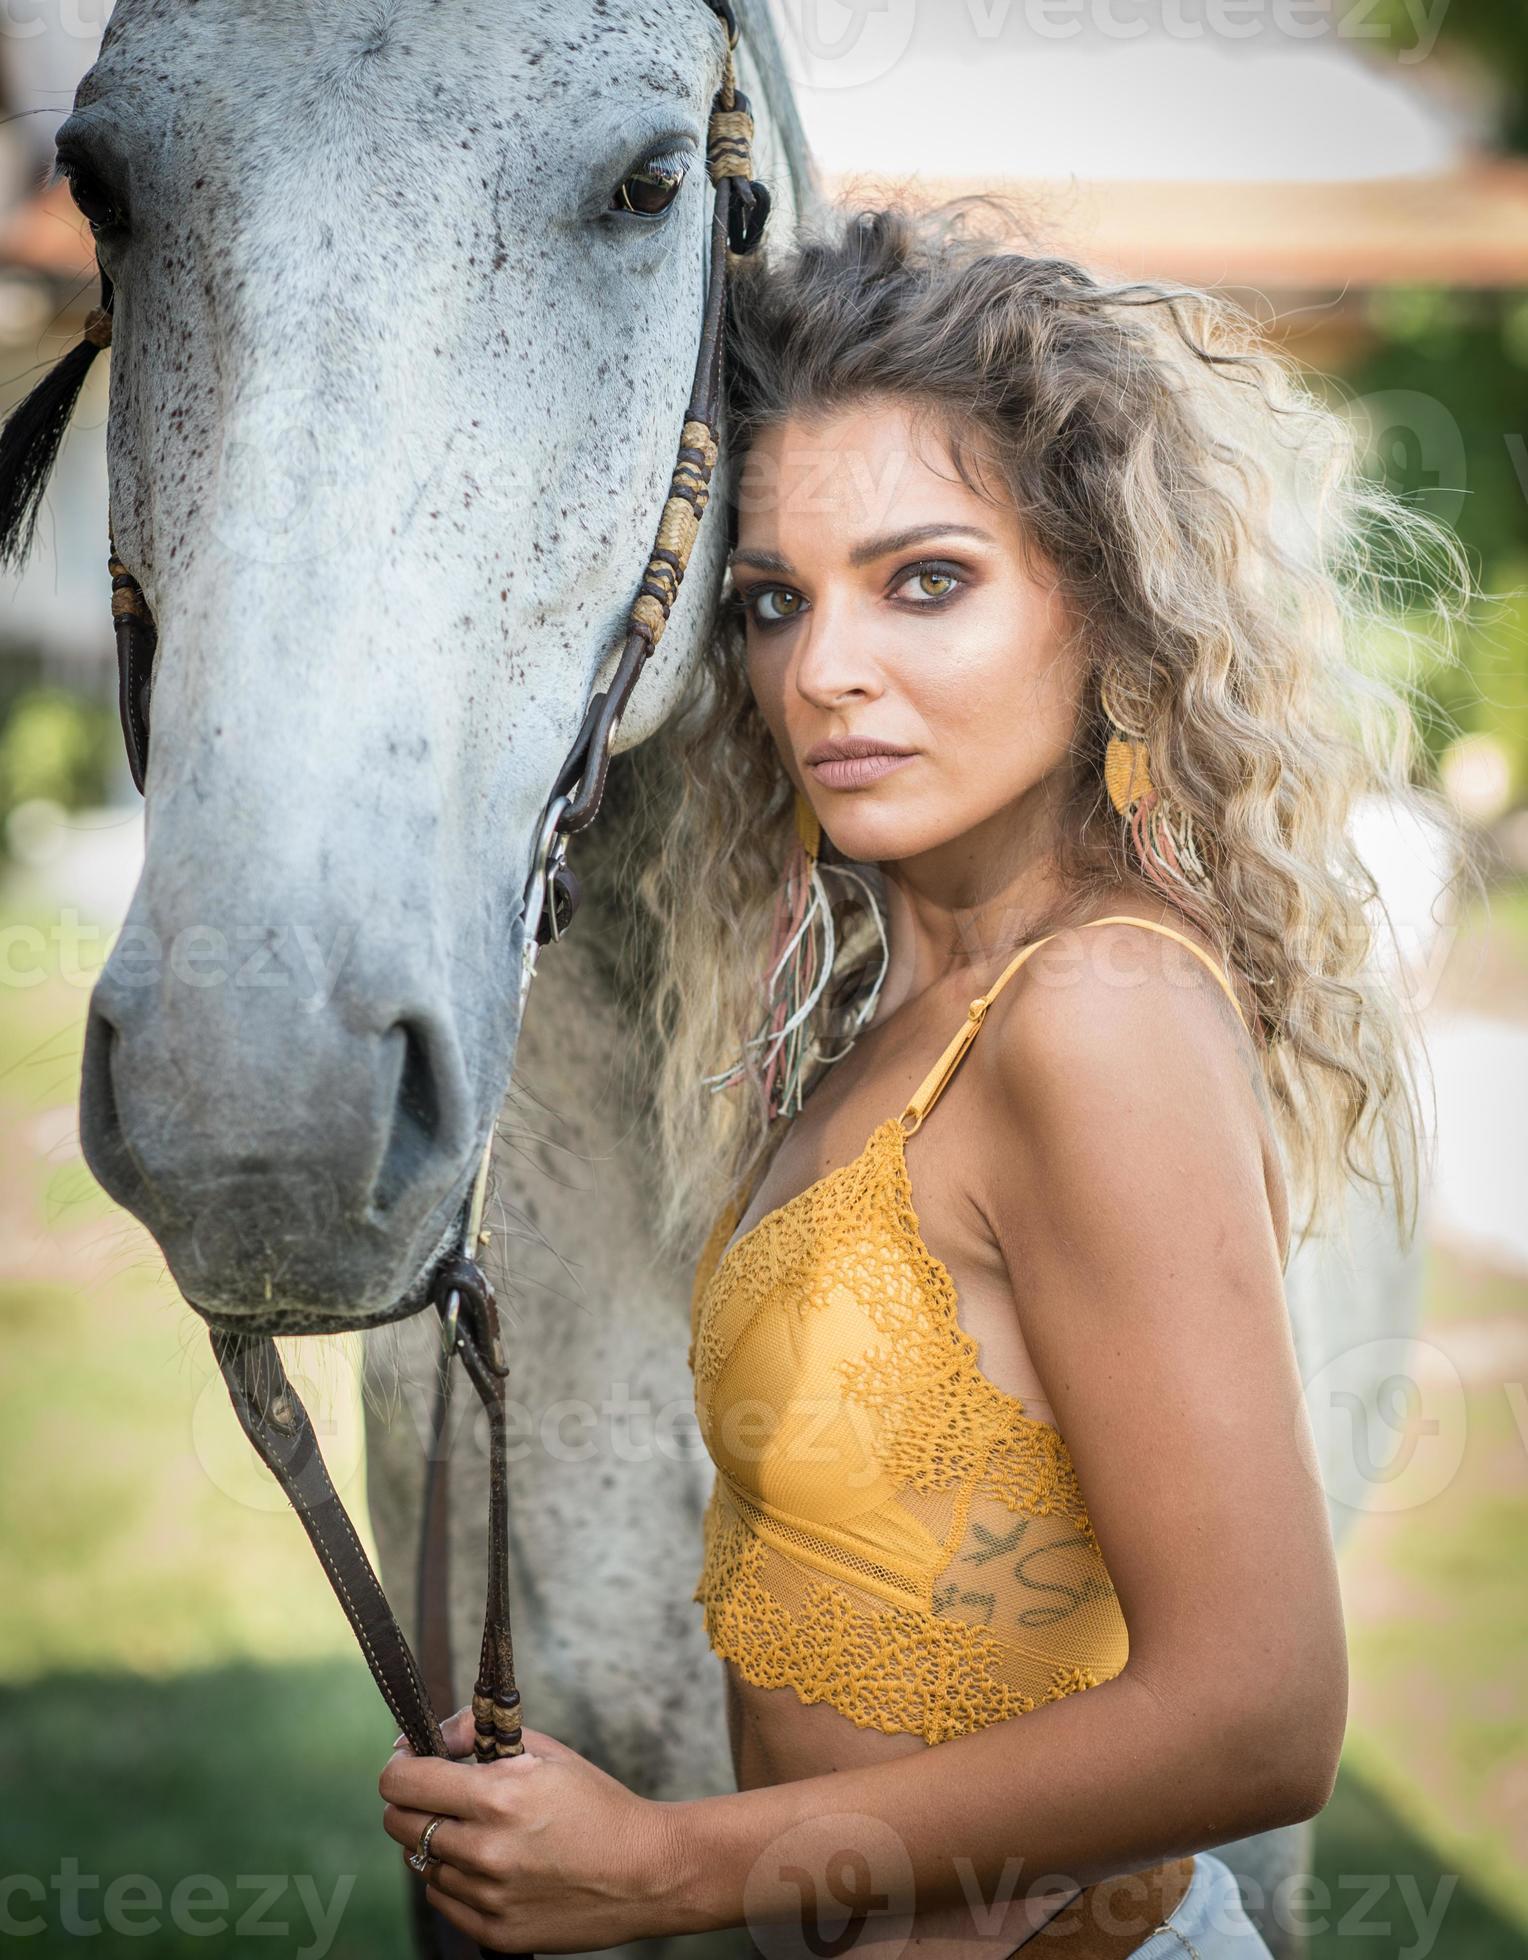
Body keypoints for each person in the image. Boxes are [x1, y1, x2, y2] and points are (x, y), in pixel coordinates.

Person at [378, 197, 1471, 1959]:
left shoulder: (1094, 1008)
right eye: (771, 602)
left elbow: (1265, 1711)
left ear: (1103, 614)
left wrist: (664, 1867)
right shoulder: (908, 1003)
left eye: (928, 581)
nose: (824, 672)